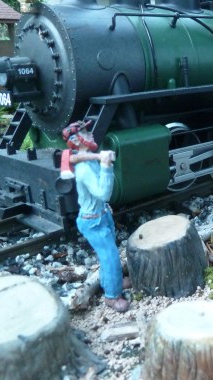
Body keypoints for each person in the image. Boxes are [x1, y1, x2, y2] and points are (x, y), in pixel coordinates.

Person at [61, 120, 130, 313]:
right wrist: (106, 166)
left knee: (110, 254)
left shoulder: (89, 160)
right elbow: (103, 193)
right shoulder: (83, 170)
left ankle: (113, 282)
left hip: (102, 214)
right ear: (77, 140)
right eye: (86, 132)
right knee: (110, 257)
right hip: (93, 222)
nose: (91, 134)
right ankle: (112, 296)